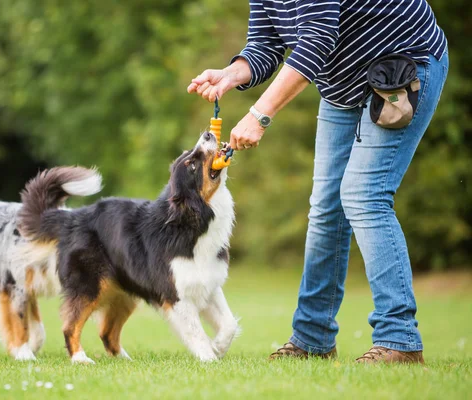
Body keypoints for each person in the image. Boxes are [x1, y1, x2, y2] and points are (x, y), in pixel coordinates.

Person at [188, 0, 448, 364]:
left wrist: (259, 114)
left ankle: (399, 339)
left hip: (401, 67)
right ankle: (313, 339)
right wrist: (232, 73)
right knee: (326, 207)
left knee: (363, 196)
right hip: (342, 86)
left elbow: (317, 39)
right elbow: (265, 44)